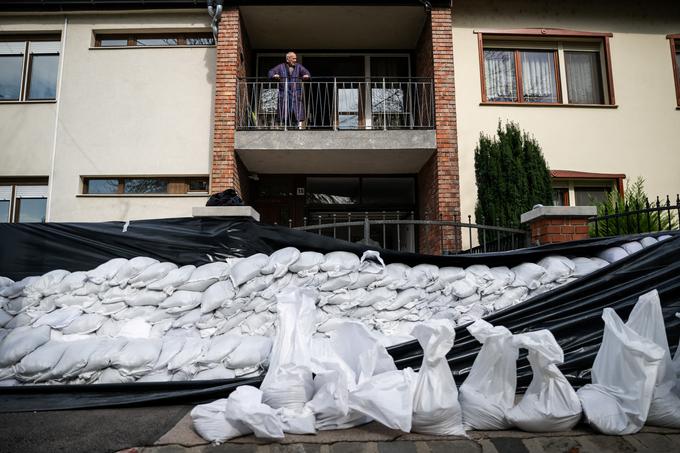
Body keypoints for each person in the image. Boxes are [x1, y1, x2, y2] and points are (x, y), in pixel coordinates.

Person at [268, 52, 311, 128]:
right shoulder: (280, 67)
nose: (295, 60)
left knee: (295, 116)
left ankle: (295, 129)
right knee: (285, 116)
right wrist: (274, 75)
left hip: (295, 95)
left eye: (296, 58)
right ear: (288, 59)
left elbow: (307, 73)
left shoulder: (298, 67)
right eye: (293, 58)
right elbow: (271, 72)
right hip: (284, 95)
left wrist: (306, 75)